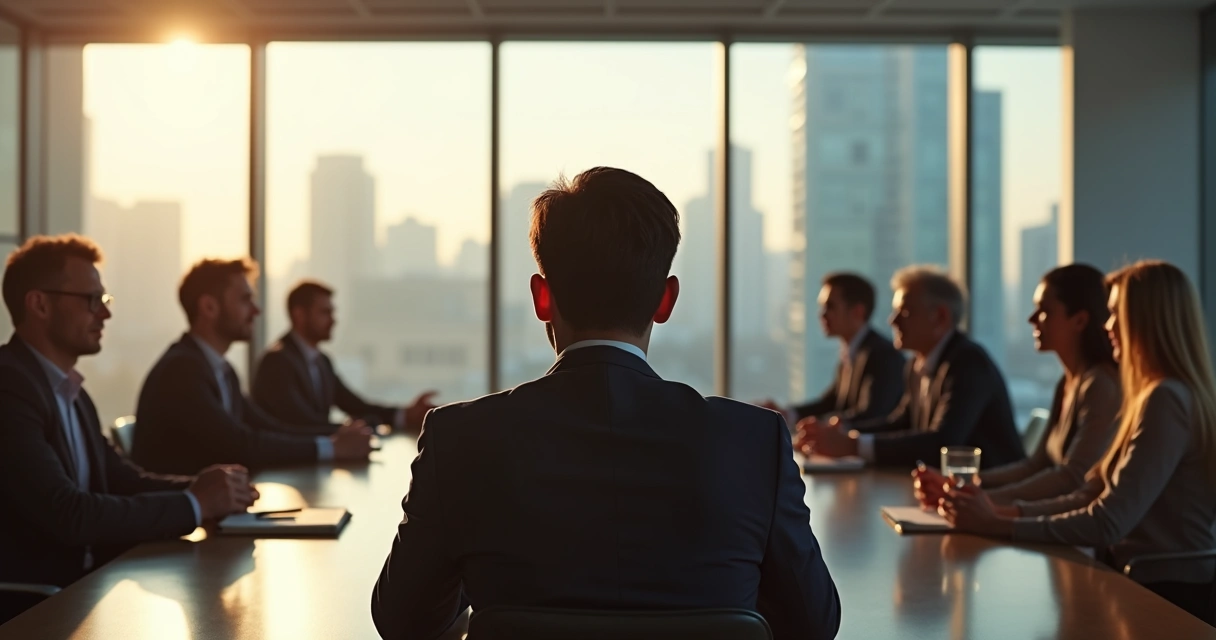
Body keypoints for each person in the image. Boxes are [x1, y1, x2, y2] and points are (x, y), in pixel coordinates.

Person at [370, 167, 841, 640]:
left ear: (542, 298)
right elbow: (813, 625)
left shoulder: (461, 439)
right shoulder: (754, 441)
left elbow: (404, 622)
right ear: (665, 300)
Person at [941, 261, 1216, 622]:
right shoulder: (1150, 394)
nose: (1108, 325)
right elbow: (1091, 495)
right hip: (1137, 578)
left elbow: (1107, 521)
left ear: (1147, 321)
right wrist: (994, 511)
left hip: (1166, 594)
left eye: (1116, 313)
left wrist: (998, 522)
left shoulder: (1165, 399)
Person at [0, 236, 257, 620]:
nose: (104, 315)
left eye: (104, 301)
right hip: (39, 607)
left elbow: (120, 477)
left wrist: (204, 489)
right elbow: (68, 513)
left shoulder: (70, 390)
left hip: (88, 589)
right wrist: (195, 503)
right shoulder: (10, 387)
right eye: (91, 300)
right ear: (39, 304)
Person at [131, 258, 374, 476]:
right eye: (245, 300)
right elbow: (238, 445)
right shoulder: (182, 371)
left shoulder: (222, 371)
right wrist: (330, 447)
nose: (256, 311)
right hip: (185, 522)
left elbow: (268, 427)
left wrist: (335, 439)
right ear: (209, 307)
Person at [914, 264, 1120, 506]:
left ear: (1080, 320)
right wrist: (962, 484)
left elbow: (1073, 477)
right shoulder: (1067, 382)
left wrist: (978, 499)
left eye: (1044, 311)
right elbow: (1037, 465)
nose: (1031, 319)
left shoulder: (1100, 387)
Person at [797, 266, 1023, 468]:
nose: (892, 321)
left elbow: (943, 441)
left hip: (993, 499)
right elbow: (900, 423)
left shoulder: (968, 363)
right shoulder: (917, 364)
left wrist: (854, 446)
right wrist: (843, 435)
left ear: (940, 317)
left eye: (904, 312)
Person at [251, 280, 436, 434]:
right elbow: (299, 422)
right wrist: (356, 429)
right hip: (282, 470)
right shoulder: (276, 362)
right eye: (325, 312)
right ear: (299, 315)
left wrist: (405, 414)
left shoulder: (322, 362)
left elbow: (354, 405)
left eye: (332, 312)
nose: (333, 320)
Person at [759, 272, 905, 430]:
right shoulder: (853, 351)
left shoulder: (882, 355)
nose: (821, 314)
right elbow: (831, 402)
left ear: (857, 311)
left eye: (830, 306)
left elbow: (873, 414)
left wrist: (825, 429)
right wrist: (785, 414)